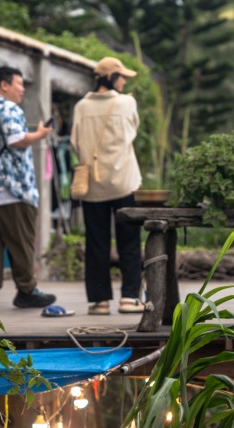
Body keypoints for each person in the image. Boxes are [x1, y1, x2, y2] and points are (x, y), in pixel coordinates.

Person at [0, 66, 56, 310]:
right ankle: (27, 290)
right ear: (4, 85)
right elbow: (16, 140)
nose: (23, 89)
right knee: (21, 240)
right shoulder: (8, 107)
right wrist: (40, 134)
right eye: (19, 84)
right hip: (10, 188)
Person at [72, 56, 145, 316]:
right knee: (130, 241)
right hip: (124, 182)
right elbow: (132, 131)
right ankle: (129, 298)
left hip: (92, 185)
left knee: (96, 243)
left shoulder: (81, 106)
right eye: (122, 76)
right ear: (111, 78)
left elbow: (76, 142)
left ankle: (100, 301)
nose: (124, 80)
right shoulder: (127, 103)